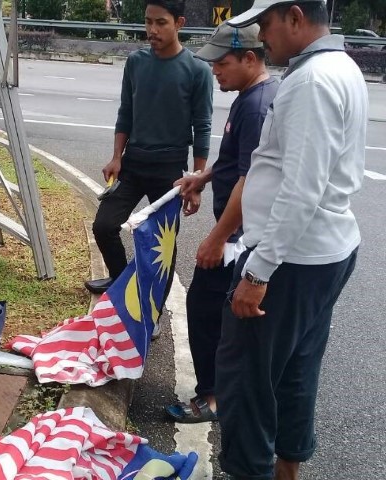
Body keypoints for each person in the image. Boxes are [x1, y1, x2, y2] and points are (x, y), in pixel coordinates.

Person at [215, 1, 368, 478]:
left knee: (246, 381)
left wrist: (259, 271)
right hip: (324, 250)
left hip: (291, 260)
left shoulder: (311, 82)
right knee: (296, 372)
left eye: (266, 24)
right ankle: (286, 471)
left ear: (295, 17)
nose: (262, 37)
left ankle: (252, 471)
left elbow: (302, 188)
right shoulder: (340, 66)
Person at [165, 22, 279, 423]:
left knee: (206, 311)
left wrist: (217, 238)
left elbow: (250, 181)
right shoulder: (250, 96)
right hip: (238, 234)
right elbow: (233, 161)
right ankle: (223, 390)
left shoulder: (258, 106)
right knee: (213, 311)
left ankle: (214, 397)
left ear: (249, 58)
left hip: (239, 239)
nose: (214, 70)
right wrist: (203, 177)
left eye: (221, 62)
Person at [85, 0, 213, 295]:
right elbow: (125, 113)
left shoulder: (197, 70)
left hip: (170, 171)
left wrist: (197, 180)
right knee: (104, 226)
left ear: (179, 23)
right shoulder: (136, 62)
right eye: (148, 22)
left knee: (161, 243)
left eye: (161, 23)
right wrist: (116, 157)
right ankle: (120, 284)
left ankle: (152, 306)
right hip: (133, 163)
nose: (152, 30)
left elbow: (203, 127)